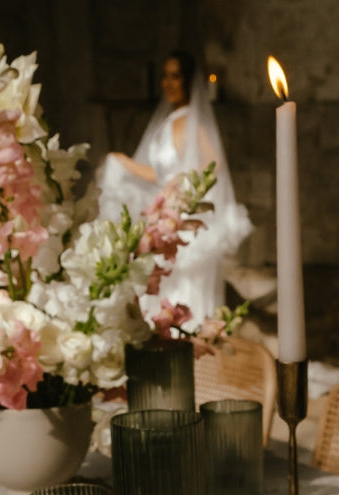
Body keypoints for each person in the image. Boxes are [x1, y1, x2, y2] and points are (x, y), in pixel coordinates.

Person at [98, 50, 251, 324]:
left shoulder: (191, 122)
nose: (168, 83)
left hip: (180, 215)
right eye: (165, 76)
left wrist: (182, 185)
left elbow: (213, 164)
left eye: (176, 76)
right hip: (165, 212)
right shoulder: (169, 123)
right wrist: (123, 162)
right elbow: (158, 174)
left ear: (189, 81)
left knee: (182, 287)